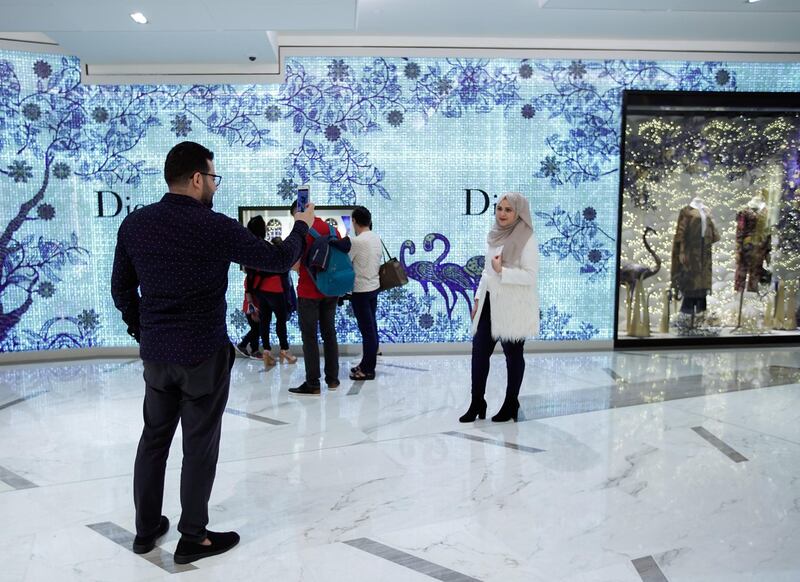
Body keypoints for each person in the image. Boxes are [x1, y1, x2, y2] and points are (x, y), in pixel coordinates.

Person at [111, 141, 315, 563]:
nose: (215, 188)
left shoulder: (134, 225)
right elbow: (276, 261)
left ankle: (146, 530)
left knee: (153, 440)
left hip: (157, 355)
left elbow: (121, 290)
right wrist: (301, 226)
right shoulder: (213, 226)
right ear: (197, 178)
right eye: (213, 179)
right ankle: (193, 537)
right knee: (198, 445)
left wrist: (143, 330)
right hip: (202, 352)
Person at [460, 192, 539, 423]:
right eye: (499, 208)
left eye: (508, 210)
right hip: (488, 302)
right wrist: (477, 299)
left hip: (512, 305)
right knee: (479, 353)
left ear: (518, 213)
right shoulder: (494, 236)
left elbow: (530, 277)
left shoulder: (527, 238)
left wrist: (503, 272)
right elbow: (487, 272)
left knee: (513, 355)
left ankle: (511, 402)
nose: (502, 214)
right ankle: (477, 402)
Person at [289, 202, 351, 395]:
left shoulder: (300, 232)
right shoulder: (331, 229)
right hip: (330, 290)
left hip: (308, 291)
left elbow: (294, 265)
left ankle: (313, 383)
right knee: (329, 334)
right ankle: (333, 380)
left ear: (298, 213)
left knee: (309, 337)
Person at [346, 206, 382, 380]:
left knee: (367, 332)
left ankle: (368, 370)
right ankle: (366, 363)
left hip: (360, 290)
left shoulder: (357, 241)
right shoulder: (375, 238)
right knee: (371, 329)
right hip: (374, 288)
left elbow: (347, 262)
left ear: (354, 221)